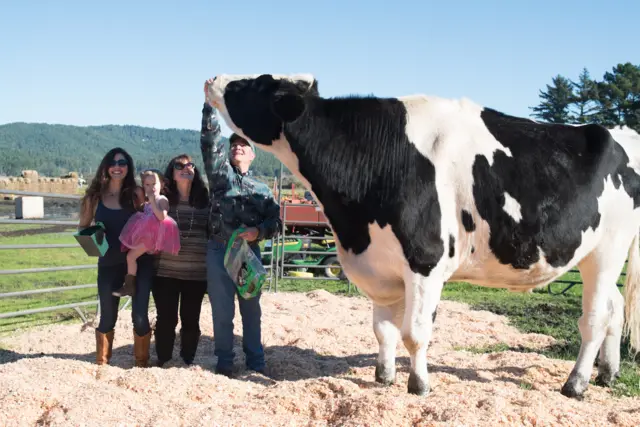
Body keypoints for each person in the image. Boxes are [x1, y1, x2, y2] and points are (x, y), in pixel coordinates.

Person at [201, 78, 281, 377]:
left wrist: (258, 232)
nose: (237, 148)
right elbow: (209, 143)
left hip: (248, 253)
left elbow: (275, 222)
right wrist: (210, 107)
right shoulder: (220, 177)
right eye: (233, 144)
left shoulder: (261, 189)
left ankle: (256, 364)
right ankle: (224, 364)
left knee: (251, 312)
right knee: (222, 314)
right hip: (219, 250)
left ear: (253, 153)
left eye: (243, 145)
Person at [78, 148, 155, 367]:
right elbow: (83, 228)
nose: (117, 166)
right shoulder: (94, 198)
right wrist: (95, 239)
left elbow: (150, 221)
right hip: (108, 264)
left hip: (139, 264)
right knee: (107, 318)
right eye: (113, 162)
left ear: (128, 167)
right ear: (106, 166)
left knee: (140, 317)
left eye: (122, 162)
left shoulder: (136, 194)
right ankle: (102, 364)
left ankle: (142, 364)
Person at [151, 154, 210, 366]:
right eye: (179, 165)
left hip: (196, 273)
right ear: (172, 173)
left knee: (191, 321)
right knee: (166, 320)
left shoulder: (206, 201)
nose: (186, 168)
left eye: (190, 165)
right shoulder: (163, 201)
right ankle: (164, 360)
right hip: (165, 271)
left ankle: (187, 360)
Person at [112, 169, 181, 297]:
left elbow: (161, 216)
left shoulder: (162, 200)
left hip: (152, 238)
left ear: (162, 185)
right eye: (147, 185)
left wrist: (152, 201)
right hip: (147, 236)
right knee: (130, 256)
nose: (151, 188)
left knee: (130, 257)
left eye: (154, 184)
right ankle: (129, 284)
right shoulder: (149, 202)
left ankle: (129, 286)